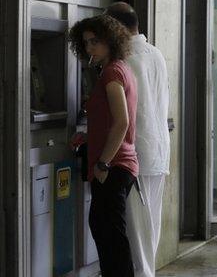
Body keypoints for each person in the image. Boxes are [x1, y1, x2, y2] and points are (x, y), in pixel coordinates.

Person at [69, 15, 138, 277]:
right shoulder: (120, 68)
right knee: (105, 230)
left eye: (95, 42)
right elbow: (111, 121)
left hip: (114, 165)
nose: (89, 49)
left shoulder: (111, 73)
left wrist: (102, 162)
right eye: (86, 43)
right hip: (121, 163)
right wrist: (90, 139)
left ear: (111, 41)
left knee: (111, 237)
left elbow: (122, 122)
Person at [105, 2, 170, 277]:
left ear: (116, 28)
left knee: (137, 238)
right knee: (148, 231)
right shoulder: (156, 54)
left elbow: (126, 115)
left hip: (136, 156)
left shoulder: (127, 60)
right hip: (157, 153)